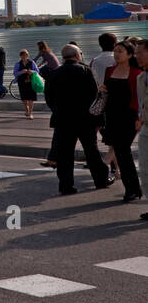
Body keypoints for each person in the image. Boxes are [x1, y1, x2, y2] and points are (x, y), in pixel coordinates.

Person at [43, 44, 112, 195]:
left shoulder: (54, 74)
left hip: (62, 121)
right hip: (85, 120)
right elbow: (96, 97)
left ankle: (66, 186)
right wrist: (99, 120)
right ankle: (101, 180)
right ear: (77, 55)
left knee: (65, 154)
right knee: (92, 151)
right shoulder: (86, 71)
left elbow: (49, 98)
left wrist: (58, 110)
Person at [102, 41, 143, 203]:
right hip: (112, 116)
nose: (116, 54)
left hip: (129, 117)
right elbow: (108, 92)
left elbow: (138, 97)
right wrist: (102, 89)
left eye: (120, 51)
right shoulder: (109, 70)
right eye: (115, 51)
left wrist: (139, 118)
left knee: (123, 151)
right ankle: (133, 189)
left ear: (130, 54)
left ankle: (132, 189)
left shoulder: (136, 73)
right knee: (120, 152)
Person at [90, 32, 120, 182]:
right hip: (115, 102)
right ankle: (110, 166)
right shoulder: (117, 59)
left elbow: (93, 81)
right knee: (116, 138)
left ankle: (114, 168)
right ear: (115, 44)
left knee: (109, 137)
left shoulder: (94, 61)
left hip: (100, 102)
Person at [133, 41, 148, 222]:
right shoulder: (140, 77)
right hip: (146, 128)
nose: (137, 56)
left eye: (140, 53)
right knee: (145, 168)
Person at [13, 49, 40, 119]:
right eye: (22, 55)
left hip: (31, 82)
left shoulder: (32, 63)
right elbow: (15, 73)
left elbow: (37, 71)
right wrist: (22, 71)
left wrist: (32, 71)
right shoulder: (18, 64)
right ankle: (26, 109)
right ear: (20, 56)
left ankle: (30, 113)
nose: (24, 57)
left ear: (27, 55)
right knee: (24, 98)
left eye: (25, 55)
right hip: (22, 82)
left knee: (31, 97)